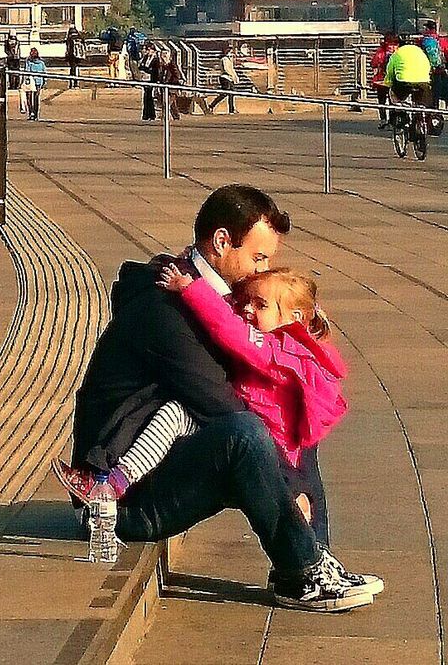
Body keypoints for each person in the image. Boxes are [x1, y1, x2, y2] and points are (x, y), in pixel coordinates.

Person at [65, 184, 379, 610]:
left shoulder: (205, 294)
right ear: (221, 242)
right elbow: (219, 403)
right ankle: (303, 569)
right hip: (121, 496)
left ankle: (310, 558)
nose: (261, 269)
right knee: (245, 431)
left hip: (162, 461)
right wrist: (291, 488)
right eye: (257, 257)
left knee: (295, 409)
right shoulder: (166, 311)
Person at [56, 264, 352, 555]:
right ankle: (316, 554)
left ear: (294, 318)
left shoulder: (274, 349)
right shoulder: (295, 348)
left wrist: (192, 289)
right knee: (182, 416)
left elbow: (228, 328)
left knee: (201, 421)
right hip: (262, 442)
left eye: (259, 305)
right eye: (246, 301)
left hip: (262, 444)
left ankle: (308, 559)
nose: (247, 309)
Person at [386, 29, 433, 113]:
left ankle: (399, 109)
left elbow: (390, 71)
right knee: (423, 103)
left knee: (394, 93)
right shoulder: (420, 52)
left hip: (403, 82)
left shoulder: (397, 53)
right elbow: (428, 66)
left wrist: (389, 82)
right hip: (423, 81)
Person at [370, 33, 399, 127]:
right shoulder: (398, 51)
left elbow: (374, 63)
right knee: (391, 101)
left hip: (381, 80)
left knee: (382, 101)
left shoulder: (381, 51)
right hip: (392, 80)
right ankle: (392, 120)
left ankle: (384, 120)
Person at [205, 44, 240, 115]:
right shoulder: (224, 59)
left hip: (229, 78)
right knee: (225, 93)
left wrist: (235, 77)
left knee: (231, 94)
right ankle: (212, 105)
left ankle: (231, 109)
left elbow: (232, 69)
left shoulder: (228, 59)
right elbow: (226, 69)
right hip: (225, 78)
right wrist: (233, 76)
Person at [422, 20, 446, 109]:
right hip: (439, 68)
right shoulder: (437, 40)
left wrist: (435, 66)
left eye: (426, 28)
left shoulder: (428, 41)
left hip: (433, 69)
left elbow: (432, 55)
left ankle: (433, 110)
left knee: (433, 92)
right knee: (437, 92)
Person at [22, 46, 46, 120]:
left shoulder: (29, 62)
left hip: (30, 82)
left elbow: (26, 71)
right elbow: (44, 72)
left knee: (29, 98)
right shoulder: (41, 63)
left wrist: (23, 81)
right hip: (39, 82)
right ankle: (36, 114)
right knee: (36, 98)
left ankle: (31, 113)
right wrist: (44, 82)